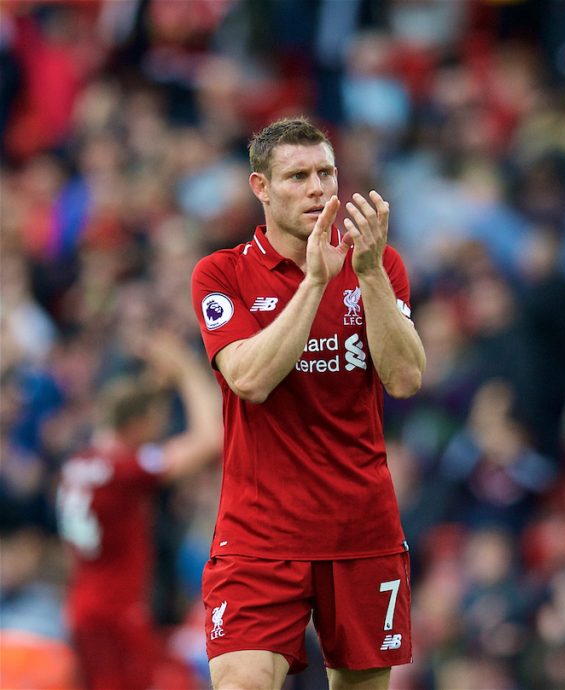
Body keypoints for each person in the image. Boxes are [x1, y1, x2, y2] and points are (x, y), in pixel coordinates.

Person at [189, 116, 425, 690]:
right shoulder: (222, 273)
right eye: (297, 176)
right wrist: (314, 281)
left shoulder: (382, 266)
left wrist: (367, 275)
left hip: (360, 529)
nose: (318, 188)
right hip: (259, 536)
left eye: (326, 173)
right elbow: (249, 377)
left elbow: (406, 377)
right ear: (260, 188)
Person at [57, 334, 222, 690]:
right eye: (154, 422)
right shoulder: (126, 470)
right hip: (116, 609)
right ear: (137, 424)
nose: (158, 431)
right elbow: (209, 440)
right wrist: (187, 371)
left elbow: (124, 412)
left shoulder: (80, 462)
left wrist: (152, 384)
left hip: (83, 602)